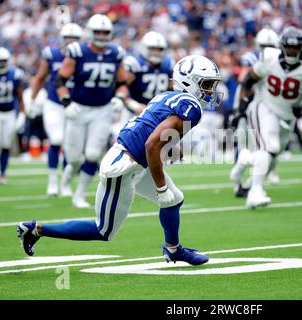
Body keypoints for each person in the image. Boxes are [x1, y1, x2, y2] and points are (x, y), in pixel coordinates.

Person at [17, 54, 222, 266]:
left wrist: (172, 146)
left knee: (175, 199)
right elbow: (152, 144)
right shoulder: (191, 107)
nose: (210, 91)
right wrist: (161, 189)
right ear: (189, 82)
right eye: (206, 84)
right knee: (104, 230)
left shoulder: (167, 96)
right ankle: (36, 229)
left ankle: (173, 250)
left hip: (136, 159)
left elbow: (150, 128)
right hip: (124, 166)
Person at [230, 26, 302, 208]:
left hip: (288, 115)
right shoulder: (268, 58)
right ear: (282, 47)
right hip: (264, 106)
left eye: (295, 48)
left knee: (274, 155)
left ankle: (244, 168)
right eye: (289, 47)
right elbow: (248, 82)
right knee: (268, 147)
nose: (292, 51)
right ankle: (255, 192)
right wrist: (241, 108)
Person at [56, 14, 129, 208]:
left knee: (93, 154)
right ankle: (66, 178)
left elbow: (122, 82)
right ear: (90, 32)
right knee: (73, 158)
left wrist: (119, 97)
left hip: (102, 110)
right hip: (78, 108)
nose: (102, 35)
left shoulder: (115, 53)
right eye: (98, 31)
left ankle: (79, 195)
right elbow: (60, 80)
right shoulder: (77, 51)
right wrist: (66, 102)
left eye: (105, 32)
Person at [29, 23, 83, 196]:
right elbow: (40, 77)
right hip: (54, 103)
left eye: (75, 39)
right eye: (69, 38)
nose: (71, 42)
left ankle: (66, 183)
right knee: (56, 139)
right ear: (62, 39)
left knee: (71, 144)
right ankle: (53, 181)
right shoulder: (51, 55)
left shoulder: (83, 56)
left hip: (75, 104)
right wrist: (32, 100)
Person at [228, 27, 279, 198]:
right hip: (248, 106)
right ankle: (239, 181)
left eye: (270, 45)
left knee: (266, 149)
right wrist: (238, 110)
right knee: (248, 147)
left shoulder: (278, 61)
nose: (267, 48)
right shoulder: (253, 59)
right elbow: (244, 82)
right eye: (265, 45)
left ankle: (248, 181)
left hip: (267, 109)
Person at [112, 30, 174, 138]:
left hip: (157, 112)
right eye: (153, 49)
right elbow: (122, 86)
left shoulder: (168, 64)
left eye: (159, 49)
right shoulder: (135, 63)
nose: (156, 52)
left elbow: (171, 89)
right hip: (134, 110)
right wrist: (132, 104)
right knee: (127, 139)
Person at [0, 47, 25, 185]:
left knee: (5, 144)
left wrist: (22, 113)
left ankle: (3, 173)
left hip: (9, 112)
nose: (1, 64)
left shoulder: (15, 75)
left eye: (3, 61)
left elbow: (20, 96)